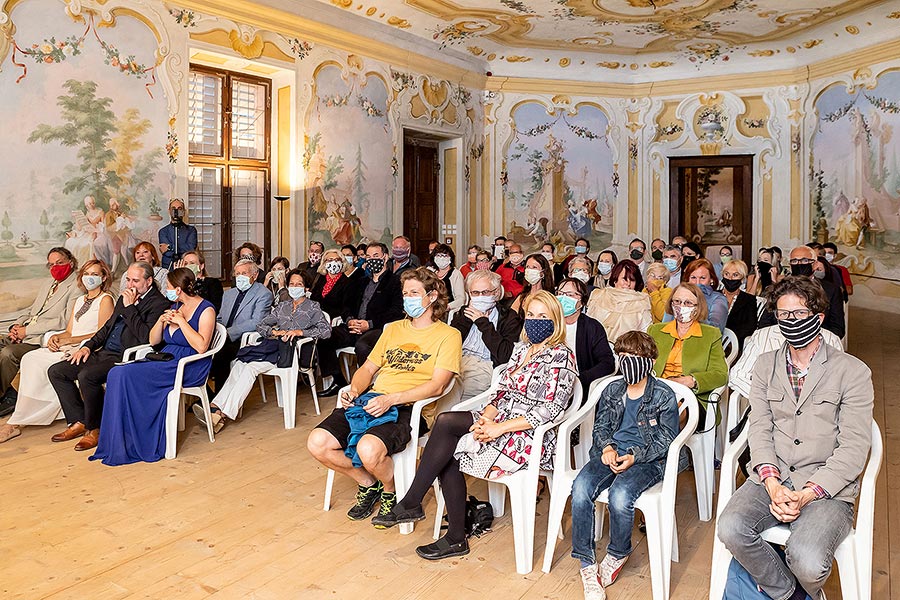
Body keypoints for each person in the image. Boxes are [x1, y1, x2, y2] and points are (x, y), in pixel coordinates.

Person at [371, 290, 577, 561]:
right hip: (501, 422)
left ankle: (436, 521)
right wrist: (487, 418)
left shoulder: (561, 356)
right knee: (446, 425)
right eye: (531, 315)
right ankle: (419, 508)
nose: (535, 321)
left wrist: (498, 428)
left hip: (528, 436)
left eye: (543, 316)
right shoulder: (522, 351)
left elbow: (552, 409)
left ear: (556, 321)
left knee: (448, 450)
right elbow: (501, 392)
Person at [717, 276, 873, 600]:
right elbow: (759, 427)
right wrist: (772, 483)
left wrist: (806, 494)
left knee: (809, 562)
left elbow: (855, 447)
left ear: (817, 317)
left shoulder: (853, 371)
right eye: (783, 315)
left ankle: (793, 587)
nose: (790, 322)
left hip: (826, 488)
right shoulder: (765, 365)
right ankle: (794, 596)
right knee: (730, 528)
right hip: (773, 477)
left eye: (799, 314)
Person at [307, 267, 461, 524]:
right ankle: (368, 482)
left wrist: (391, 399)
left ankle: (390, 490)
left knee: (369, 448)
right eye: (405, 293)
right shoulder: (393, 330)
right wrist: (355, 390)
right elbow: (367, 368)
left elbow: (437, 386)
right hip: (372, 400)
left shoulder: (448, 335)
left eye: (414, 293)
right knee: (317, 443)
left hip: (409, 408)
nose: (408, 298)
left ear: (432, 296)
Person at [571, 331, 680, 600]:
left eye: (636, 357)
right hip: (611, 453)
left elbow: (667, 439)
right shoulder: (612, 389)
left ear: (650, 361)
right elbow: (601, 426)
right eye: (623, 356)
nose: (629, 362)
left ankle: (618, 553)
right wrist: (607, 447)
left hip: (648, 459)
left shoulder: (663, 395)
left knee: (621, 496)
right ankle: (587, 563)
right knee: (581, 488)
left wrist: (634, 456)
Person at [90, 268, 216, 465]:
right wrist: (160, 321)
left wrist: (182, 322)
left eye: (168, 287)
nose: (166, 291)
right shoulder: (176, 305)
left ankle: (140, 441)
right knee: (117, 373)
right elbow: (153, 340)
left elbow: (202, 346)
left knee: (124, 375)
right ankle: (119, 441)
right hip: (165, 359)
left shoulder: (206, 309)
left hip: (189, 365)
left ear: (179, 289)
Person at [47, 262, 170, 450]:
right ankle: (79, 420)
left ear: (149, 281)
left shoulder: (159, 303)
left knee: (87, 376)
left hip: (127, 356)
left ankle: (94, 429)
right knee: (57, 371)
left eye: (136, 280)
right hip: (104, 352)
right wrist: (88, 346)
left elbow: (146, 337)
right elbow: (106, 328)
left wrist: (130, 308)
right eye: (128, 279)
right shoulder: (125, 297)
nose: (130, 285)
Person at [197, 270, 331, 431]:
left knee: (250, 368)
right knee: (240, 363)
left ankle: (221, 414)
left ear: (306, 287)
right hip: (273, 347)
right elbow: (261, 325)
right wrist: (274, 332)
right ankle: (215, 406)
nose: (294, 287)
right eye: (292, 284)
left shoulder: (312, 307)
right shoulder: (283, 306)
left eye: (299, 284)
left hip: (292, 352)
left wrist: (300, 332)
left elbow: (326, 331)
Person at [0, 260, 115, 443]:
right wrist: (58, 338)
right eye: (86, 274)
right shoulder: (79, 300)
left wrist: (70, 340)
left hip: (87, 348)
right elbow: (70, 330)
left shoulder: (106, 299)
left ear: (103, 277)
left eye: (94, 274)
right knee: (30, 358)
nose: (89, 278)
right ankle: (27, 411)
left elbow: (102, 333)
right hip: (69, 344)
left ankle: (20, 419)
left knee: (45, 366)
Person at [0, 247, 81, 414]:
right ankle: (8, 394)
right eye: (51, 264)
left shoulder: (76, 286)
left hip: (42, 338)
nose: (55, 267)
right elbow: (32, 310)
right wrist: (16, 326)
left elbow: (64, 321)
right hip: (27, 331)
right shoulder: (48, 284)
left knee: (8, 353)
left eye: (60, 263)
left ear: (70, 262)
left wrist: (27, 331)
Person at [317, 243, 404, 396]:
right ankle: (339, 381)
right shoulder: (361, 281)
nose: (372, 260)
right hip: (353, 325)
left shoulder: (394, 282)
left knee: (362, 346)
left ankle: (367, 388)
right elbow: (346, 305)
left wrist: (368, 324)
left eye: (376, 256)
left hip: (377, 328)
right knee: (324, 336)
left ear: (385, 257)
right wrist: (350, 319)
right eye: (368, 256)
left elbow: (395, 312)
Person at [647, 283, 727, 427]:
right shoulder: (655, 330)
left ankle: (667, 447)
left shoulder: (710, 334)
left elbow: (721, 375)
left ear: (698, 307)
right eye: (677, 301)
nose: (681, 306)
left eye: (688, 302)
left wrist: (691, 381)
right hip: (655, 391)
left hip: (691, 398)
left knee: (671, 409)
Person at [450, 270, 522, 400]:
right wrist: (468, 317)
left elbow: (505, 355)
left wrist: (483, 323)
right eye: (475, 293)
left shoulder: (508, 317)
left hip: (484, 366)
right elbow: (450, 341)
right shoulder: (463, 313)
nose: (480, 296)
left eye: (485, 292)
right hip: (456, 362)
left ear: (495, 293)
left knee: (453, 399)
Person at [209, 259, 273, 396]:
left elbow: (257, 321)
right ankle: (207, 395)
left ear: (254, 275)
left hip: (244, 340)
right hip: (222, 337)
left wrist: (228, 332)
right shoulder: (228, 294)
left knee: (220, 355)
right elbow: (220, 318)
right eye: (237, 273)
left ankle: (218, 399)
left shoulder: (263, 294)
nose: (240, 277)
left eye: (244, 273)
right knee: (200, 351)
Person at [758, 247, 845, 339]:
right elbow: (765, 322)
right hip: (780, 340)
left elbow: (837, 328)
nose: (799, 264)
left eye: (804, 260)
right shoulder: (779, 288)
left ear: (815, 264)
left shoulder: (831, 290)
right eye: (794, 261)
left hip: (818, 342)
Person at [556, 277, 615, 394]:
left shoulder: (592, 327)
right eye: (560, 294)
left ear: (582, 301)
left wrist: (580, 379)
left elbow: (607, 363)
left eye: (570, 295)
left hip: (580, 387)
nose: (563, 298)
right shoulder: (549, 324)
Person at [586, 261, 652, 343]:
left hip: (628, 350)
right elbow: (588, 325)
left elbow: (645, 333)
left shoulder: (642, 301)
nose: (628, 283)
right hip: (596, 347)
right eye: (624, 279)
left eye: (632, 280)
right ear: (615, 280)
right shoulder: (599, 295)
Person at [680, 258, 728, 333]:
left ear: (711, 279)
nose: (697, 282)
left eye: (702, 278)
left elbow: (715, 329)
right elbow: (666, 323)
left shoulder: (718, 299)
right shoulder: (679, 296)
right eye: (693, 278)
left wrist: (694, 312)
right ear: (687, 279)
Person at [720, 259, 757, 350]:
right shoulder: (714, 296)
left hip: (736, 346)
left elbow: (750, 326)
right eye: (727, 274)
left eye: (735, 275)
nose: (730, 278)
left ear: (742, 279)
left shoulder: (749, 300)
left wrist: (729, 340)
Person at [310, 249, 355, 320]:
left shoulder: (348, 283)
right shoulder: (320, 279)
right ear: (324, 263)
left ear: (342, 262)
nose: (334, 262)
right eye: (330, 260)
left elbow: (346, 308)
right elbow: (313, 299)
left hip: (334, 321)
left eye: (337, 260)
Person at [158, 199, 198, 269]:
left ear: (183, 212)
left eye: (179, 209)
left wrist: (170, 247)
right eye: (173, 209)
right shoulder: (163, 231)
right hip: (168, 266)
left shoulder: (191, 230)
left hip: (186, 265)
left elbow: (191, 249)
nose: (176, 211)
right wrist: (183, 248)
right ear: (169, 211)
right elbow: (166, 253)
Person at [427, 243, 466, 313]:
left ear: (450, 258)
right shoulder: (430, 272)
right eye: (438, 255)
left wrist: (446, 307)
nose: (441, 258)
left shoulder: (455, 274)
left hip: (447, 310)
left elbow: (461, 299)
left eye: (445, 256)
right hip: (430, 308)